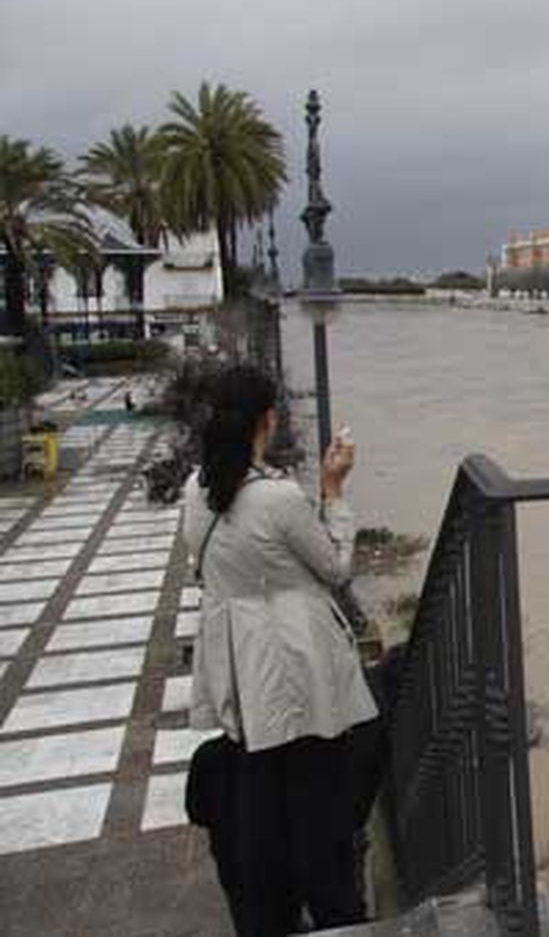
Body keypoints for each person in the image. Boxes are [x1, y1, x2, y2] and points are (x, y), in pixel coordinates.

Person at [181, 365, 377, 937]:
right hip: (294, 667)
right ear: (268, 419)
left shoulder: (197, 490)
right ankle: (336, 909)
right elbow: (335, 567)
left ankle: (269, 911)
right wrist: (334, 490)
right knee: (318, 800)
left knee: (261, 792)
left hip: (239, 666)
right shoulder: (277, 498)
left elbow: (205, 565)